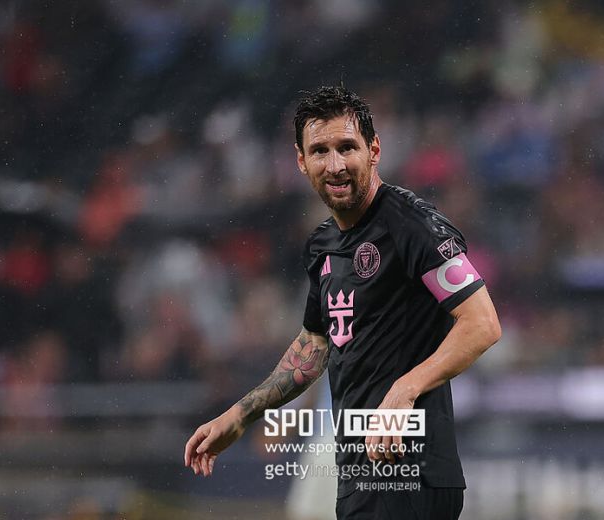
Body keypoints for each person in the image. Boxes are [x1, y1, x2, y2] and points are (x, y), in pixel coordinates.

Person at [184, 85, 501, 520]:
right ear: (301, 161)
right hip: (357, 473)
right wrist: (240, 415)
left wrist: (406, 388)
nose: (335, 165)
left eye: (347, 147)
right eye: (320, 151)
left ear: (374, 150)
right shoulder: (323, 245)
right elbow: (315, 346)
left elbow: (481, 323)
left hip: (411, 472)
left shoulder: (413, 226)